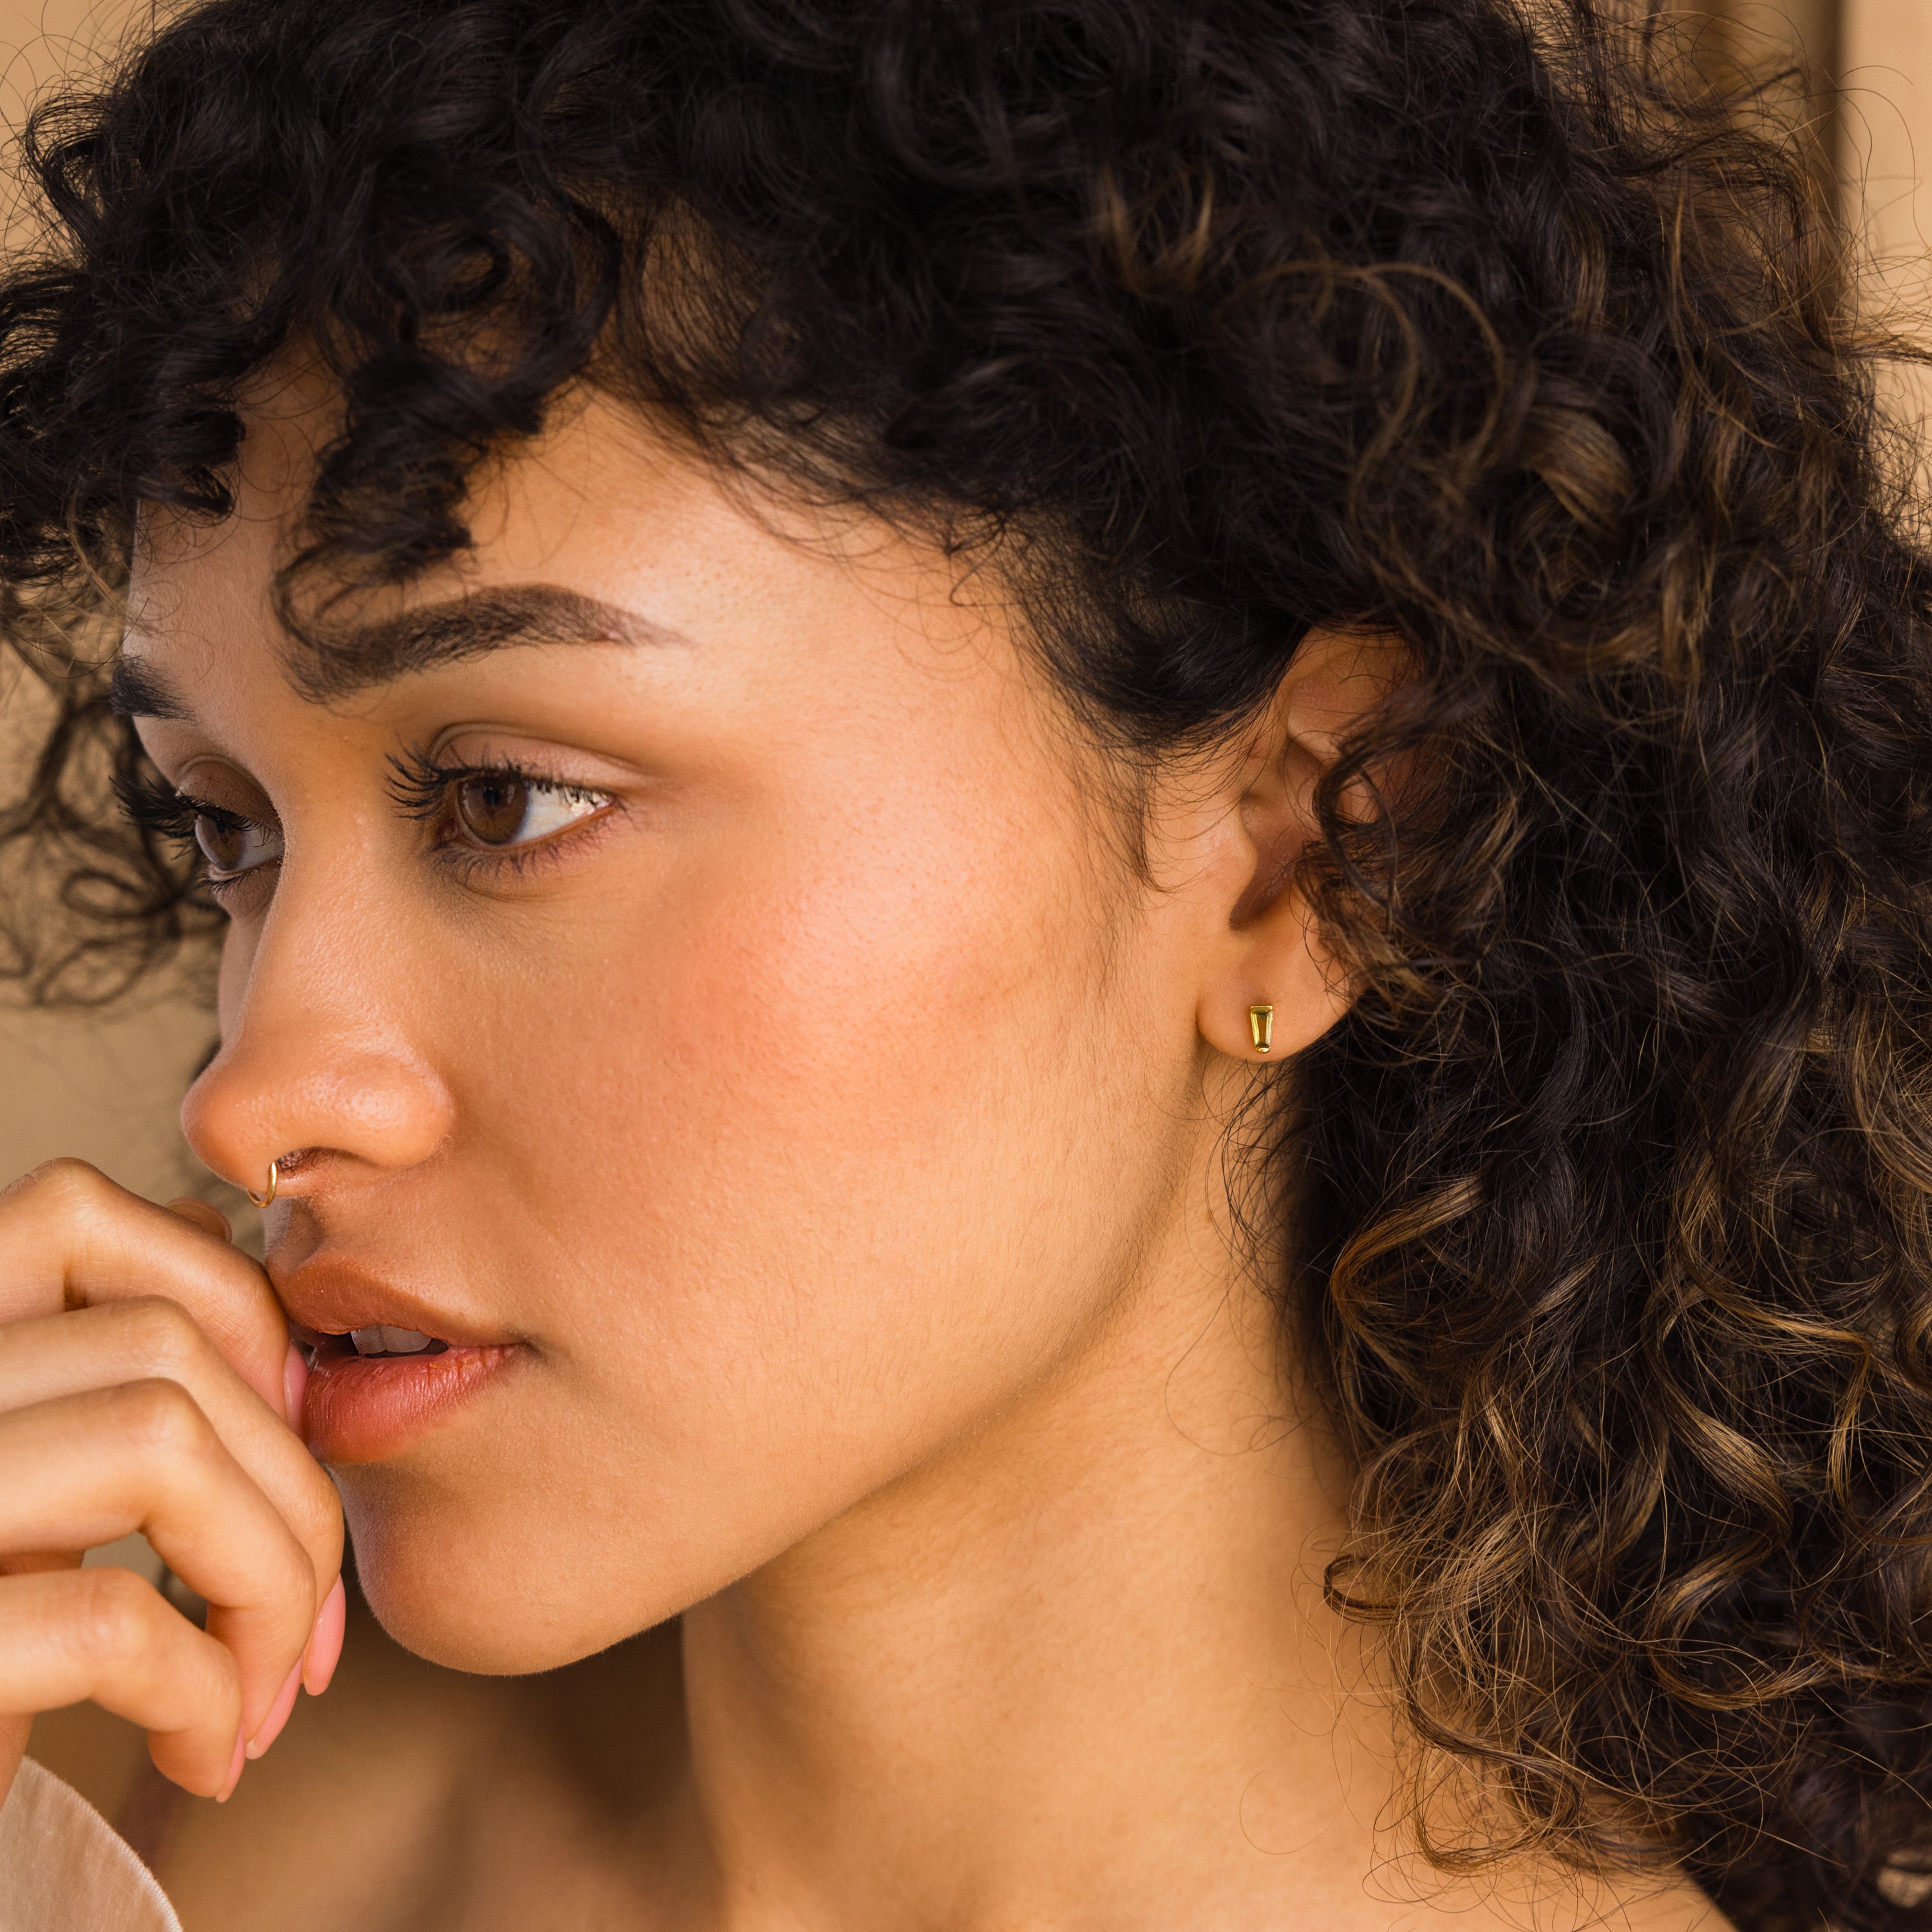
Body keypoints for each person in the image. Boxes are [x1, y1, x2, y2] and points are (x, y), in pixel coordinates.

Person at [0, 0, 1925, 1925]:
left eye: (507, 799)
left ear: (1317, 844)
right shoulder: (94, 1782)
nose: (250, 1093)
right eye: (229, 827)